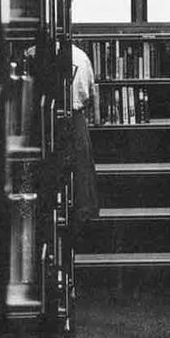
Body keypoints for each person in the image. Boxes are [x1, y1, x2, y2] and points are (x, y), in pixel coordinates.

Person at [69, 42, 100, 238]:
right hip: (75, 117)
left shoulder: (31, 54)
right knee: (82, 170)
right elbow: (89, 93)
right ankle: (84, 217)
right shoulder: (81, 56)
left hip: (43, 122)